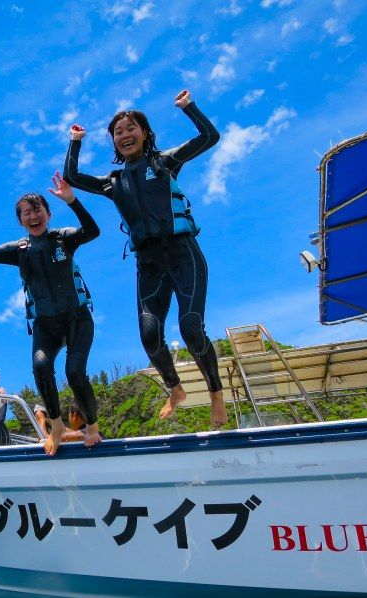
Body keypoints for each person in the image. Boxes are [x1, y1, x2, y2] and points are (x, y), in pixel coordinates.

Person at [63, 89, 227, 429]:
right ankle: (176, 390)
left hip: (183, 254)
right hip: (149, 262)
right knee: (149, 335)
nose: (124, 135)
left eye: (130, 128)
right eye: (118, 132)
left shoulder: (165, 162)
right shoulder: (113, 182)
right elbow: (73, 177)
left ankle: (215, 394)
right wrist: (75, 141)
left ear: (145, 133)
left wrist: (188, 107)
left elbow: (209, 137)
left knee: (191, 329)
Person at [0, 172, 102, 456]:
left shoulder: (64, 239)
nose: (33, 215)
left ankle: (94, 428)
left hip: (77, 318)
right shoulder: (20, 250)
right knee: (40, 366)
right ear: (21, 220)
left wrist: (73, 201)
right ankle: (57, 426)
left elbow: (92, 230)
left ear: (48, 213)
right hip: (46, 324)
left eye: (38, 209)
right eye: (26, 213)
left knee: (74, 371)